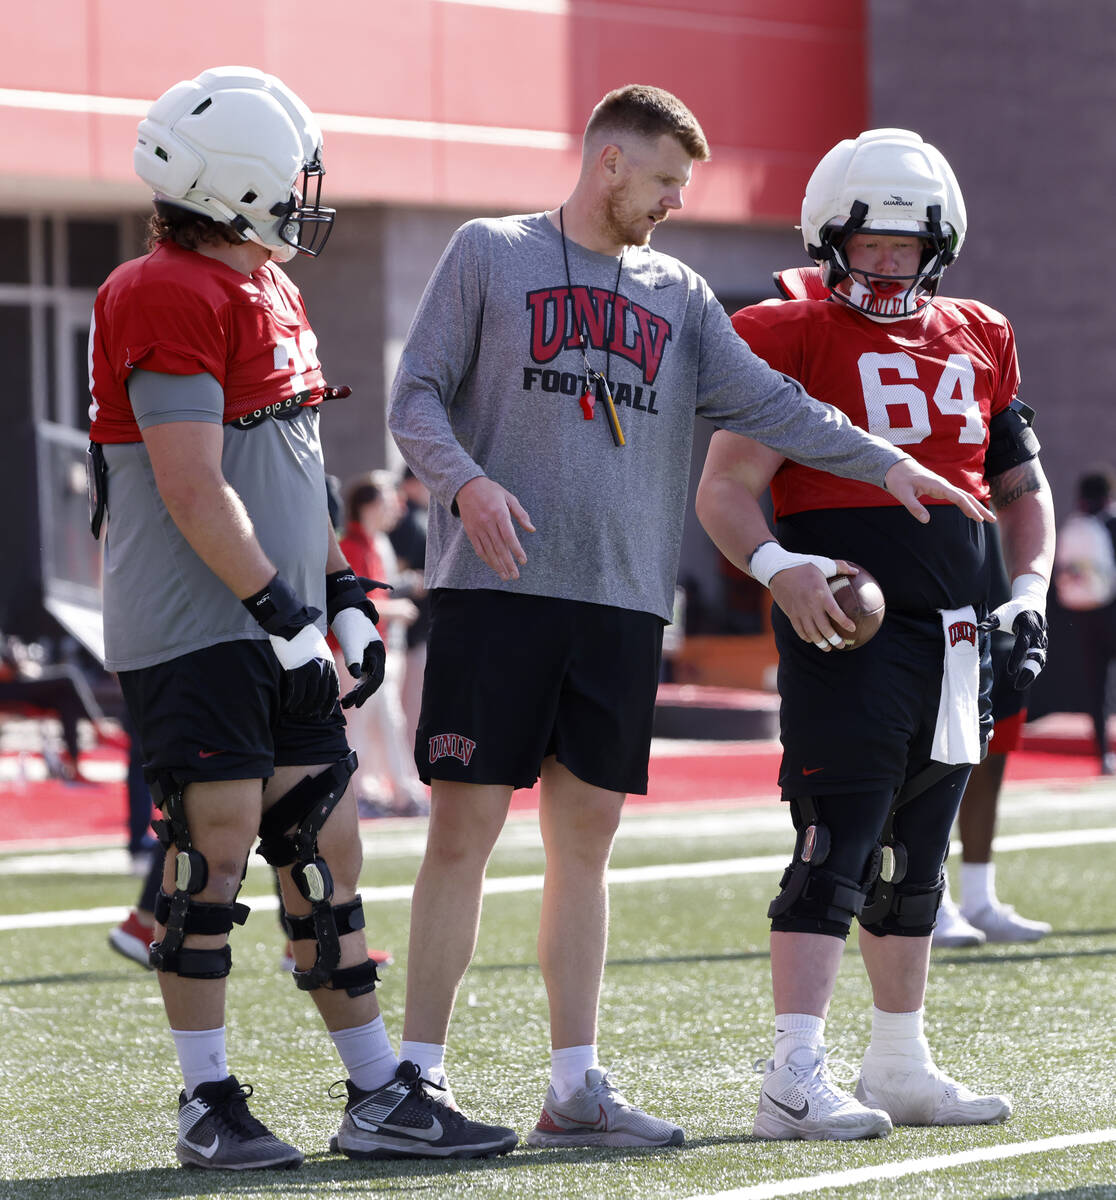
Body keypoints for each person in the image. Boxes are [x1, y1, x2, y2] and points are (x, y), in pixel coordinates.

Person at [387, 89, 992, 1149]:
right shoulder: (489, 251)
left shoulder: (679, 292)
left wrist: (893, 463)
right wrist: (467, 485)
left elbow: (775, 407)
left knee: (588, 845)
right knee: (464, 837)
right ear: (609, 162)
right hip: (499, 591)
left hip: (623, 605)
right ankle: (414, 1082)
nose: (674, 203)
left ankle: (573, 1088)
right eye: (665, 181)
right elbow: (415, 398)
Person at [88, 65, 515, 1169]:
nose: (303, 192)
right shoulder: (160, 288)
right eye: (288, 175)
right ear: (232, 182)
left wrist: (341, 595)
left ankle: (378, 1093)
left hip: (273, 618)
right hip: (199, 623)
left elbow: (290, 474)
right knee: (210, 854)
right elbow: (191, 484)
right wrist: (279, 610)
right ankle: (206, 1100)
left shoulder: (269, 287)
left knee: (325, 848)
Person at [696, 127, 1055, 1140]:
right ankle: (791, 1074)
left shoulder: (981, 329)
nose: (889, 262)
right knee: (836, 840)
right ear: (828, 238)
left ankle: (898, 1061)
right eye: (872, 243)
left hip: (959, 631)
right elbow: (724, 490)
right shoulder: (791, 331)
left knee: (920, 856)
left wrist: (1024, 591)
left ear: (941, 242)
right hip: (848, 625)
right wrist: (779, 567)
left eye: (908, 244)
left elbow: (1023, 490)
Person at [934, 530, 1052, 946]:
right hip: (946, 613)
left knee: (991, 762)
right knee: (936, 769)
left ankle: (980, 900)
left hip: (1004, 617)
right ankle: (931, 900)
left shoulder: (1008, 468)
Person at [337, 475, 428, 816]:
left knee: (383, 722)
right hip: (357, 650)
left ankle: (387, 791)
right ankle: (372, 792)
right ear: (369, 504)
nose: (397, 506)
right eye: (389, 499)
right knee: (364, 724)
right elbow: (352, 603)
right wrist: (394, 608)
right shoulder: (353, 546)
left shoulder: (373, 543)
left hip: (373, 648)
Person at [1053, 468, 1116, 773]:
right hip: (1112, 613)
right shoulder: (1111, 522)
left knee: (1097, 687)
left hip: (1086, 617)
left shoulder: (1076, 524)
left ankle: (1103, 755)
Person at [388, 466, 431, 750]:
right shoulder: (407, 519)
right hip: (403, 628)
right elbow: (389, 577)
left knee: (409, 705)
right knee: (402, 707)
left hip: (416, 627)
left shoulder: (420, 516)